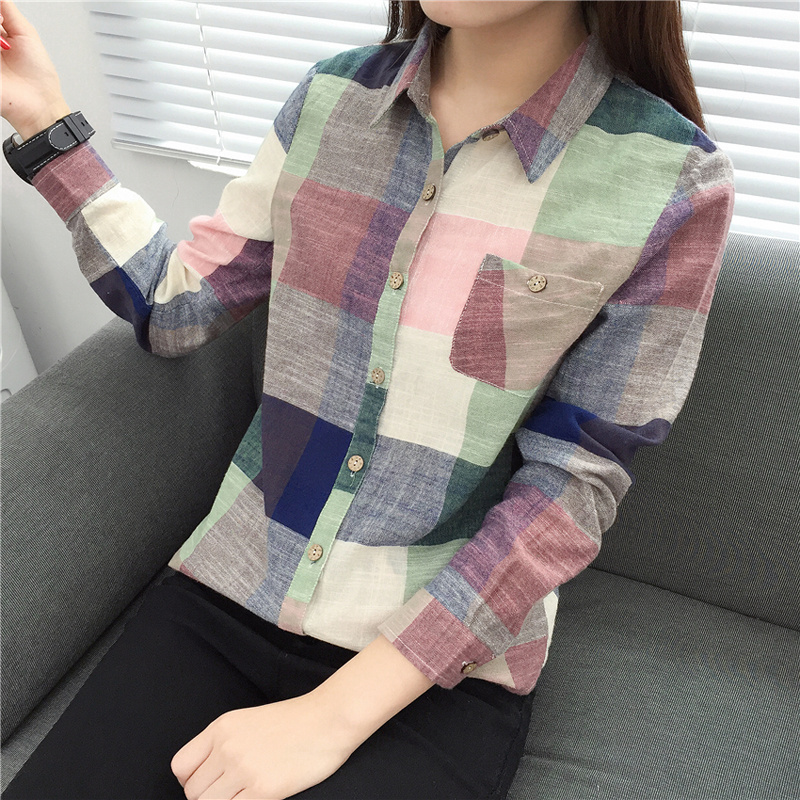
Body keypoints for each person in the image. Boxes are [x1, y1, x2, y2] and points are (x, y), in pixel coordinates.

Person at [1, 0, 735, 798]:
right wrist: (44, 119)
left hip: (441, 663)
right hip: (236, 583)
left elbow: (573, 487)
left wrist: (332, 718)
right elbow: (176, 309)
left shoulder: (673, 181)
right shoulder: (329, 101)